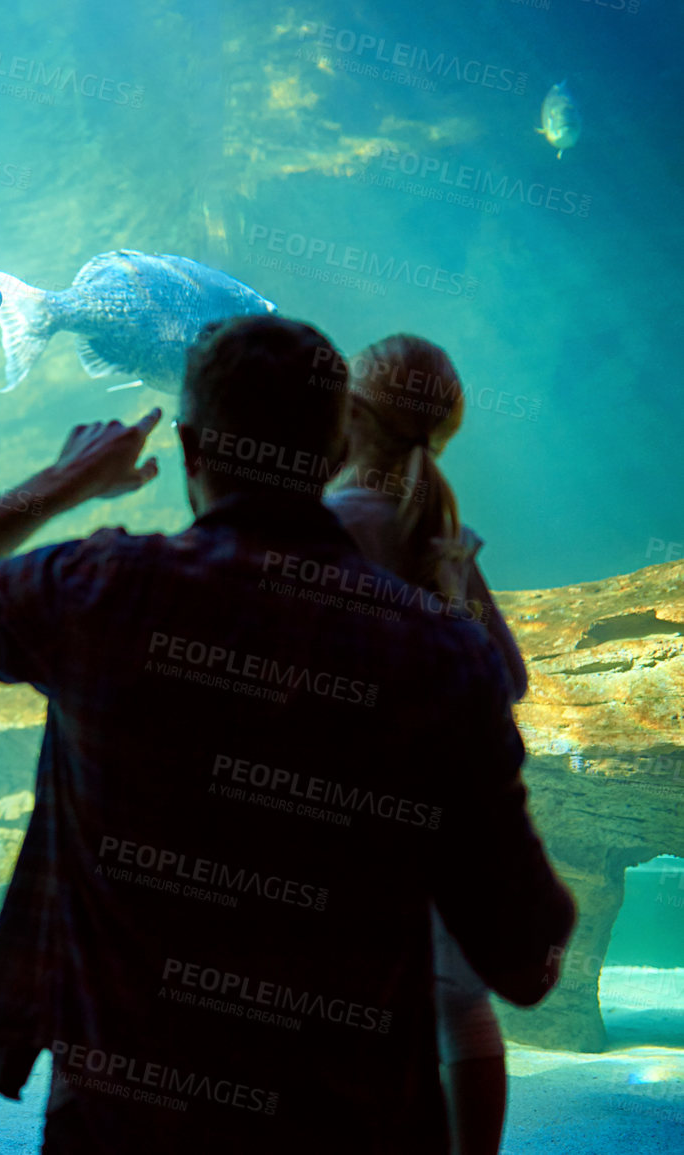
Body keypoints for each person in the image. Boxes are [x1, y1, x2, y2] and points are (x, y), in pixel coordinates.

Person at [0, 314, 574, 1153]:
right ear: (335, 445)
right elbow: (522, 959)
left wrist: (63, 482)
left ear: (190, 446)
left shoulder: (100, 592)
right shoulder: (440, 654)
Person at [326, 335, 526, 1155]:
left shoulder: (329, 527)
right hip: (449, 811)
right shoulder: (444, 534)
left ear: (346, 417)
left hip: (349, 814)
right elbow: (509, 677)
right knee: (458, 1003)